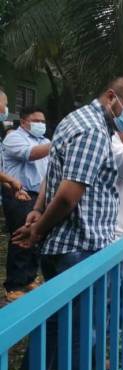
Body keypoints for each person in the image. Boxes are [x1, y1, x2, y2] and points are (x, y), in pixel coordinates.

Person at [9, 77, 123, 370]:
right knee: (83, 335)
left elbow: (57, 176)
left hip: (64, 247)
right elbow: (67, 195)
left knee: (53, 326)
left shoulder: (75, 121)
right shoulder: (94, 131)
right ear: (112, 98)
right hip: (79, 248)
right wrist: (38, 230)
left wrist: (38, 214)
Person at [1, 106, 51, 300]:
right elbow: (31, 154)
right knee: (20, 238)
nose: (41, 124)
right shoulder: (14, 138)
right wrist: (60, 143)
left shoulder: (46, 141)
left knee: (36, 237)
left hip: (39, 197)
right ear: (23, 122)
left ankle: (29, 277)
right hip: (19, 194)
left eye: (43, 121)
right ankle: (14, 285)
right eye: (37, 121)